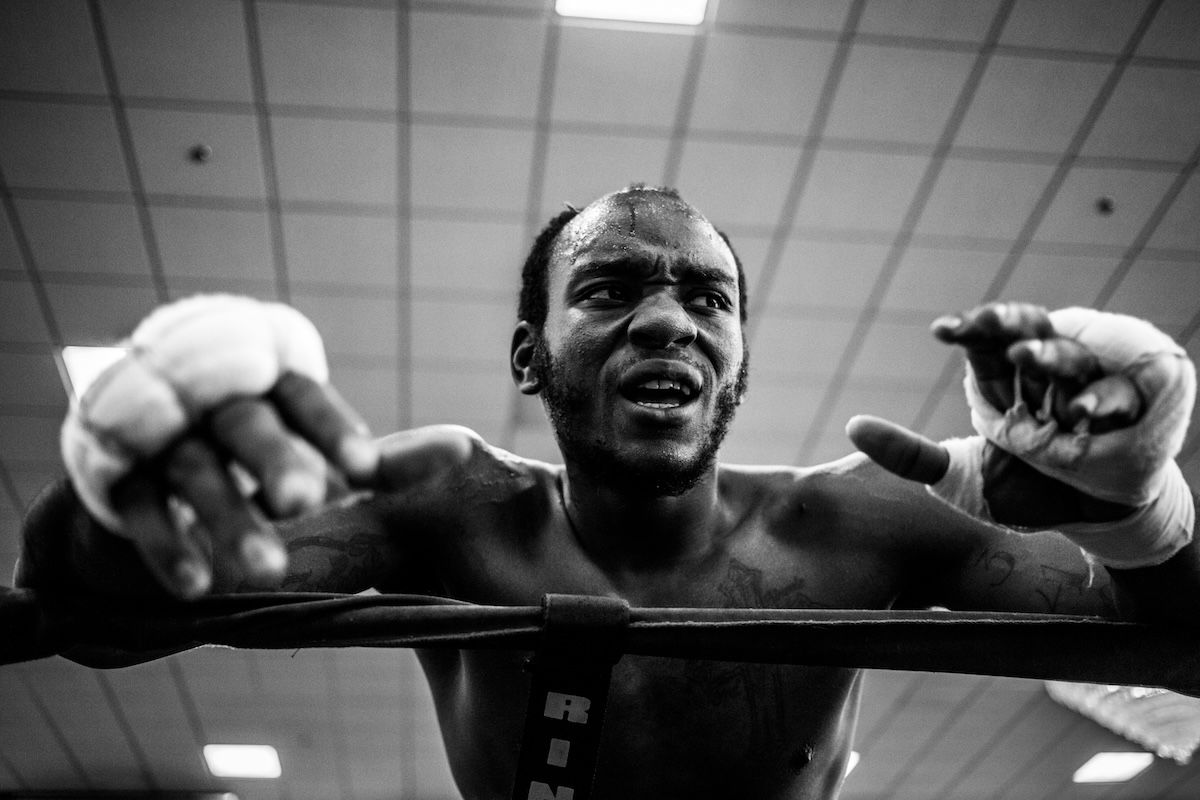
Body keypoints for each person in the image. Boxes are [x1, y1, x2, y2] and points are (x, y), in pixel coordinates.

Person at [15, 184, 1200, 800]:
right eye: (611, 286)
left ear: (737, 358)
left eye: (709, 297)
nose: (670, 316)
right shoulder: (451, 505)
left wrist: (1138, 515)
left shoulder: (863, 519)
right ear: (531, 356)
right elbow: (100, 613)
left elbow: (1174, 646)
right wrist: (117, 485)